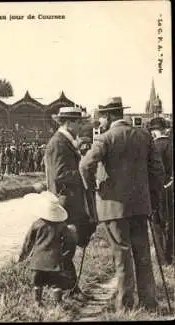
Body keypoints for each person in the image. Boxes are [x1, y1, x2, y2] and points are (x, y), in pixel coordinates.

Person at [80, 97, 164, 312]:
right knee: (143, 254)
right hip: (140, 206)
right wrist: (152, 199)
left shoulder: (106, 139)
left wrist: (95, 188)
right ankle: (149, 303)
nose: (101, 122)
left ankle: (126, 306)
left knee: (122, 255)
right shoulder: (145, 136)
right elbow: (157, 172)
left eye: (102, 118)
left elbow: (85, 165)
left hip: (113, 208)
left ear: (108, 116)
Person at [44, 106, 96, 299]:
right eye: (79, 122)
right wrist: (84, 172)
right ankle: (67, 290)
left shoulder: (64, 141)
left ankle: (69, 289)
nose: (82, 126)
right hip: (66, 203)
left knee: (68, 246)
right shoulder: (58, 143)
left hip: (69, 202)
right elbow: (59, 175)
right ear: (68, 122)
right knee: (66, 247)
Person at [19, 191, 78, 307]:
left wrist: (22, 256)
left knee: (38, 283)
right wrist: (65, 255)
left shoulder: (36, 224)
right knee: (56, 283)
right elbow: (69, 241)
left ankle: (38, 302)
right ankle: (58, 304)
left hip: (38, 260)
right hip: (54, 259)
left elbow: (28, 242)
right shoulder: (61, 225)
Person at [148, 117, 174, 265]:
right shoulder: (170, 144)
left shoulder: (154, 147)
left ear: (154, 131)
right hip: (171, 187)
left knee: (157, 223)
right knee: (171, 222)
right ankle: (171, 254)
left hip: (158, 189)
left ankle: (163, 258)